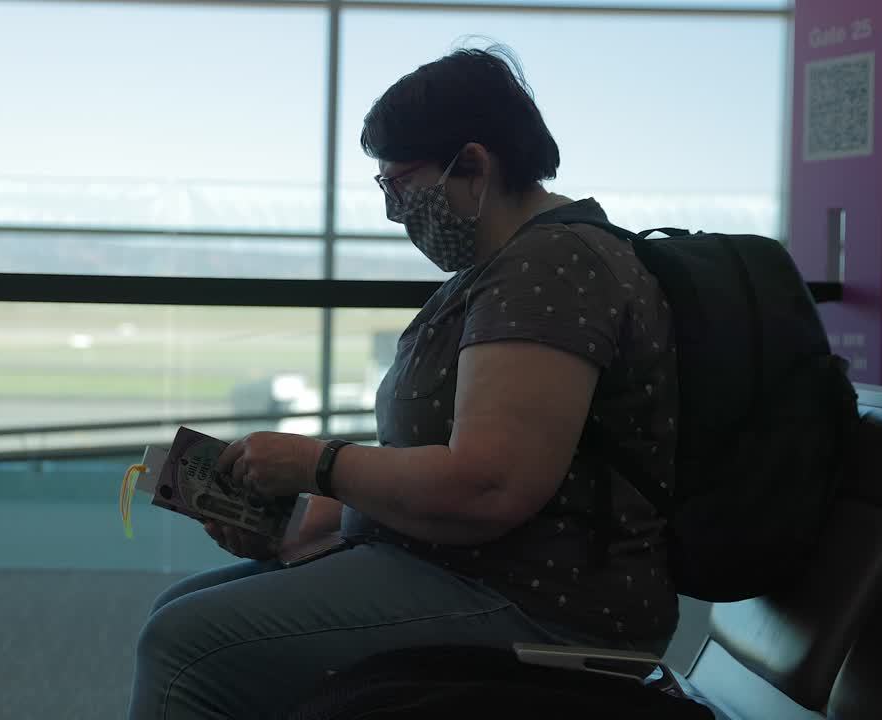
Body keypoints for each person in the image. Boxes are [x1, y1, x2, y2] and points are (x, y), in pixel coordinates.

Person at [128, 45, 679, 720]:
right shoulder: (504, 269)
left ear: (472, 165)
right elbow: (441, 466)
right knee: (180, 610)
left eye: (401, 185)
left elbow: (488, 486)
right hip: (471, 571)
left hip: (542, 605)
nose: (395, 211)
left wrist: (316, 464)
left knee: (186, 645)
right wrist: (299, 525)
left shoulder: (550, 268)